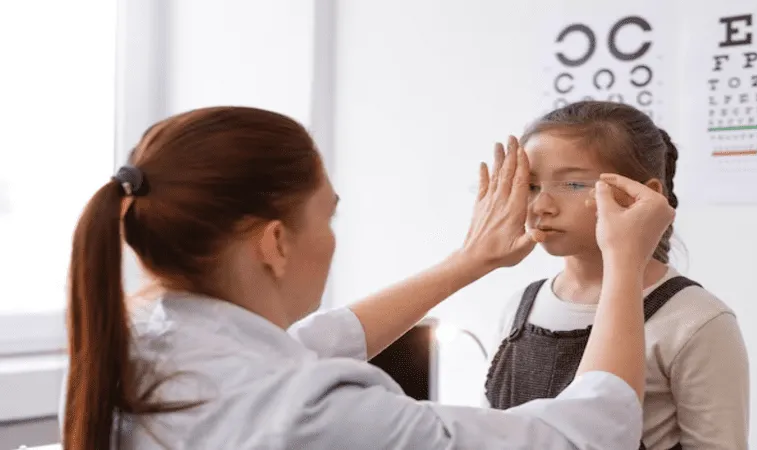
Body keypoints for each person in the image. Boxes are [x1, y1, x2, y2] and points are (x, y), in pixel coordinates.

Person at [62, 106, 675, 450]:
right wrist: (624, 265)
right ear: (274, 242)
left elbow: (309, 344)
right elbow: (587, 437)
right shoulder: (316, 413)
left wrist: (468, 262)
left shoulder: (146, 339)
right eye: (328, 215)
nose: (541, 204)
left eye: (572, 184)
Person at [483, 101, 750, 449]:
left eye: (574, 184)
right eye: (531, 186)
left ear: (646, 196)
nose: (541, 206)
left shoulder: (696, 320)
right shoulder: (521, 306)